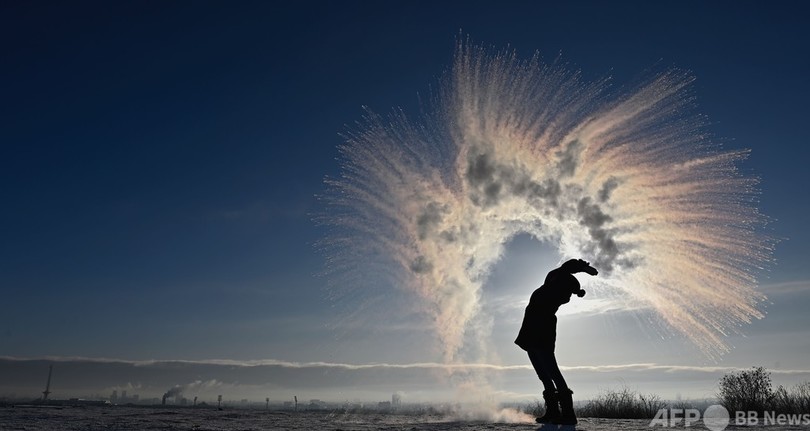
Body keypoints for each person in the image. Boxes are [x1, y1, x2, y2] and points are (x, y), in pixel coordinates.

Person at [515, 258, 598, 425]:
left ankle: (568, 414)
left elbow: (565, 271)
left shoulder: (558, 291)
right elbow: (564, 269)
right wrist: (582, 268)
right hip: (531, 329)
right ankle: (553, 412)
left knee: (552, 372)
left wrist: (582, 269)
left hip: (541, 329)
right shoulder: (556, 280)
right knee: (543, 374)